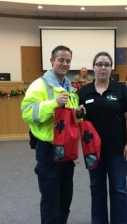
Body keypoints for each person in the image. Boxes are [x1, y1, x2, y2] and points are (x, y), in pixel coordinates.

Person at [21, 45, 82, 224]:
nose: (65, 64)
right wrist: (52, 103)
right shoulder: (39, 85)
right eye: (61, 60)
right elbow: (27, 113)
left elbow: (68, 120)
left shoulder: (70, 88)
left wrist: (77, 113)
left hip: (67, 149)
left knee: (65, 196)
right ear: (52, 61)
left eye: (68, 61)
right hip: (48, 149)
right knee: (50, 198)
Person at [78, 52, 127, 224]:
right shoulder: (84, 91)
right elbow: (77, 119)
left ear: (111, 68)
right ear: (93, 67)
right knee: (96, 188)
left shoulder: (121, 89)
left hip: (118, 151)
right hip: (92, 151)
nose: (103, 68)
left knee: (118, 189)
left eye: (106, 64)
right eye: (99, 64)